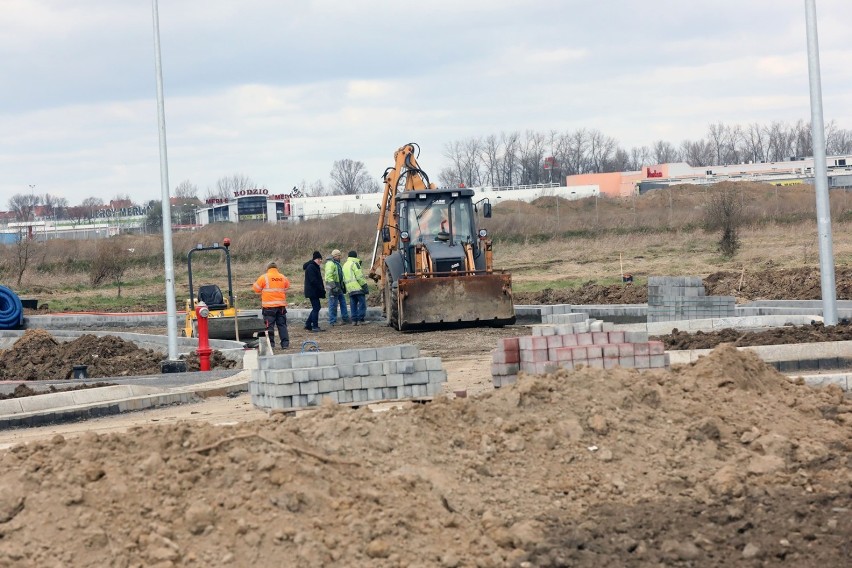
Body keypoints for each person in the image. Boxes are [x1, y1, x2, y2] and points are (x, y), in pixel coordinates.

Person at [252, 261, 291, 350]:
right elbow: (287, 287)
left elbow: (256, 289)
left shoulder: (264, 277)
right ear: (277, 268)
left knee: (269, 327)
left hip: (269, 307)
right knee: (282, 325)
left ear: (268, 268)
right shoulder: (283, 277)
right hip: (281, 306)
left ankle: (271, 345)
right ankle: (285, 344)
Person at [324, 249, 350, 326]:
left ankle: (345, 318)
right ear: (335, 256)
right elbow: (329, 277)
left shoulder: (336, 264)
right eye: (339, 256)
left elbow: (339, 276)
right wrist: (333, 287)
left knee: (343, 302)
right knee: (333, 304)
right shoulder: (330, 264)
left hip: (338, 286)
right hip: (333, 287)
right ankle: (333, 321)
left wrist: (342, 286)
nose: (340, 257)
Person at [342, 250, 368, 325]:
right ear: (355, 256)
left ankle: (354, 320)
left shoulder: (345, 265)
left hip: (350, 288)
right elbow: (359, 276)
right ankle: (361, 320)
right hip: (357, 287)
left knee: (353, 304)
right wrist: (364, 285)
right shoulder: (355, 263)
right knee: (362, 303)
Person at [303, 251, 326, 332]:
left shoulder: (313, 266)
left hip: (313, 291)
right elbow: (314, 281)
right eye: (320, 259)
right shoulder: (311, 267)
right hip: (313, 291)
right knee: (316, 307)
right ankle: (314, 326)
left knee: (316, 307)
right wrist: (320, 288)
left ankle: (308, 324)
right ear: (316, 259)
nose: (321, 261)